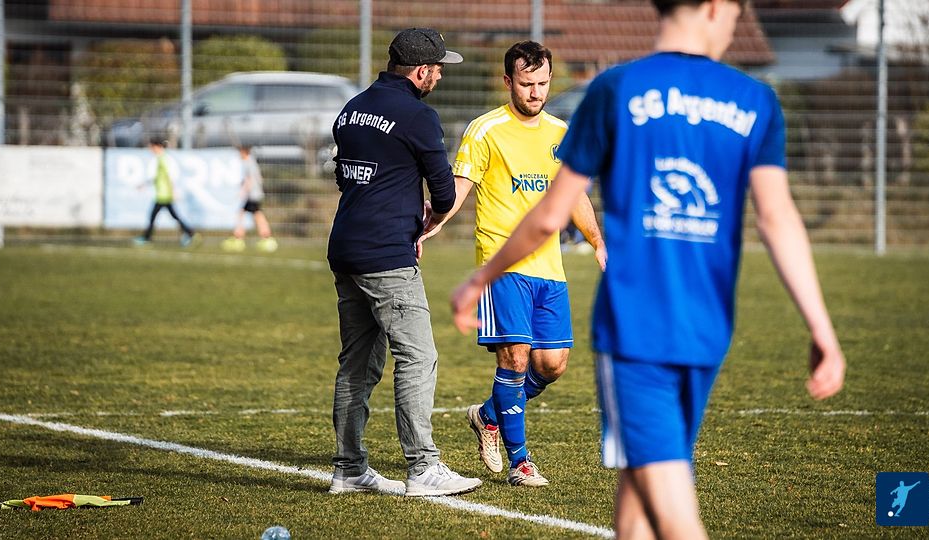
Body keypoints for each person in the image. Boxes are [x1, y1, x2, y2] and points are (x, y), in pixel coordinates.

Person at [450, 1, 846, 537]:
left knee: (641, 497)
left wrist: (478, 279)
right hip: (705, 324)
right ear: (715, 8)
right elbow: (777, 219)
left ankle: (492, 416)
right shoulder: (756, 100)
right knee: (659, 496)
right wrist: (821, 327)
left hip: (635, 324)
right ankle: (513, 446)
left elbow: (551, 212)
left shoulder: (615, 90)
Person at [420, 41, 606, 487]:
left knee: (552, 364)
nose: (536, 92)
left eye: (542, 83)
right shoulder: (486, 130)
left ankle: (488, 415)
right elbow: (461, 185)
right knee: (516, 357)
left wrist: (598, 242)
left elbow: (574, 195)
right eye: (526, 84)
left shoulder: (561, 133)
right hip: (501, 263)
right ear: (508, 82)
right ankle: (521, 463)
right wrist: (433, 223)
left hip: (549, 267)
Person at [326, 27, 482, 497]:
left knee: (357, 364)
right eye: (437, 69)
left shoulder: (352, 108)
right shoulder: (418, 116)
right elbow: (445, 192)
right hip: (387, 255)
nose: (440, 76)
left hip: (346, 247)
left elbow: (347, 177)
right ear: (420, 71)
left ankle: (349, 469)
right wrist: (426, 217)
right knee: (418, 357)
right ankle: (423, 467)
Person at [134, 137, 199, 247]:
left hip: (164, 194)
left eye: (152, 147)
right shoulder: (160, 158)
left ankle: (147, 238)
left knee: (154, 216)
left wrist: (173, 191)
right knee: (172, 216)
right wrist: (144, 184)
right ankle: (189, 233)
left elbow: (170, 177)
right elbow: (156, 177)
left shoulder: (164, 159)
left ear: (157, 146)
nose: (151, 150)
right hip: (162, 194)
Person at [221, 145, 277, 253]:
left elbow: (249, 179)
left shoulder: (247, 163)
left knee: (246, 214)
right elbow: (259, 178)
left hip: (251, 195)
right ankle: (264, 237)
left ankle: (239, 238)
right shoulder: (253, 162)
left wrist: (243, 192)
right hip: (255, 194)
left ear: (244, 152)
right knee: (256, 214)